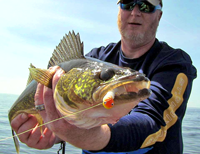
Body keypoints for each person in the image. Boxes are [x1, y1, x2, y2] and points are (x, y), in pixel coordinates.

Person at [11, 0, 197, 153]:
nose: (135, 12)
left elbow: (152, 121)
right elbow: (72, 117)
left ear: (159, 15)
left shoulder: (174, 63)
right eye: (127, 3)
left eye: (146, 6)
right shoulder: (95, 58)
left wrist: (88, 136)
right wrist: (54, 134)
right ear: (119, 11)